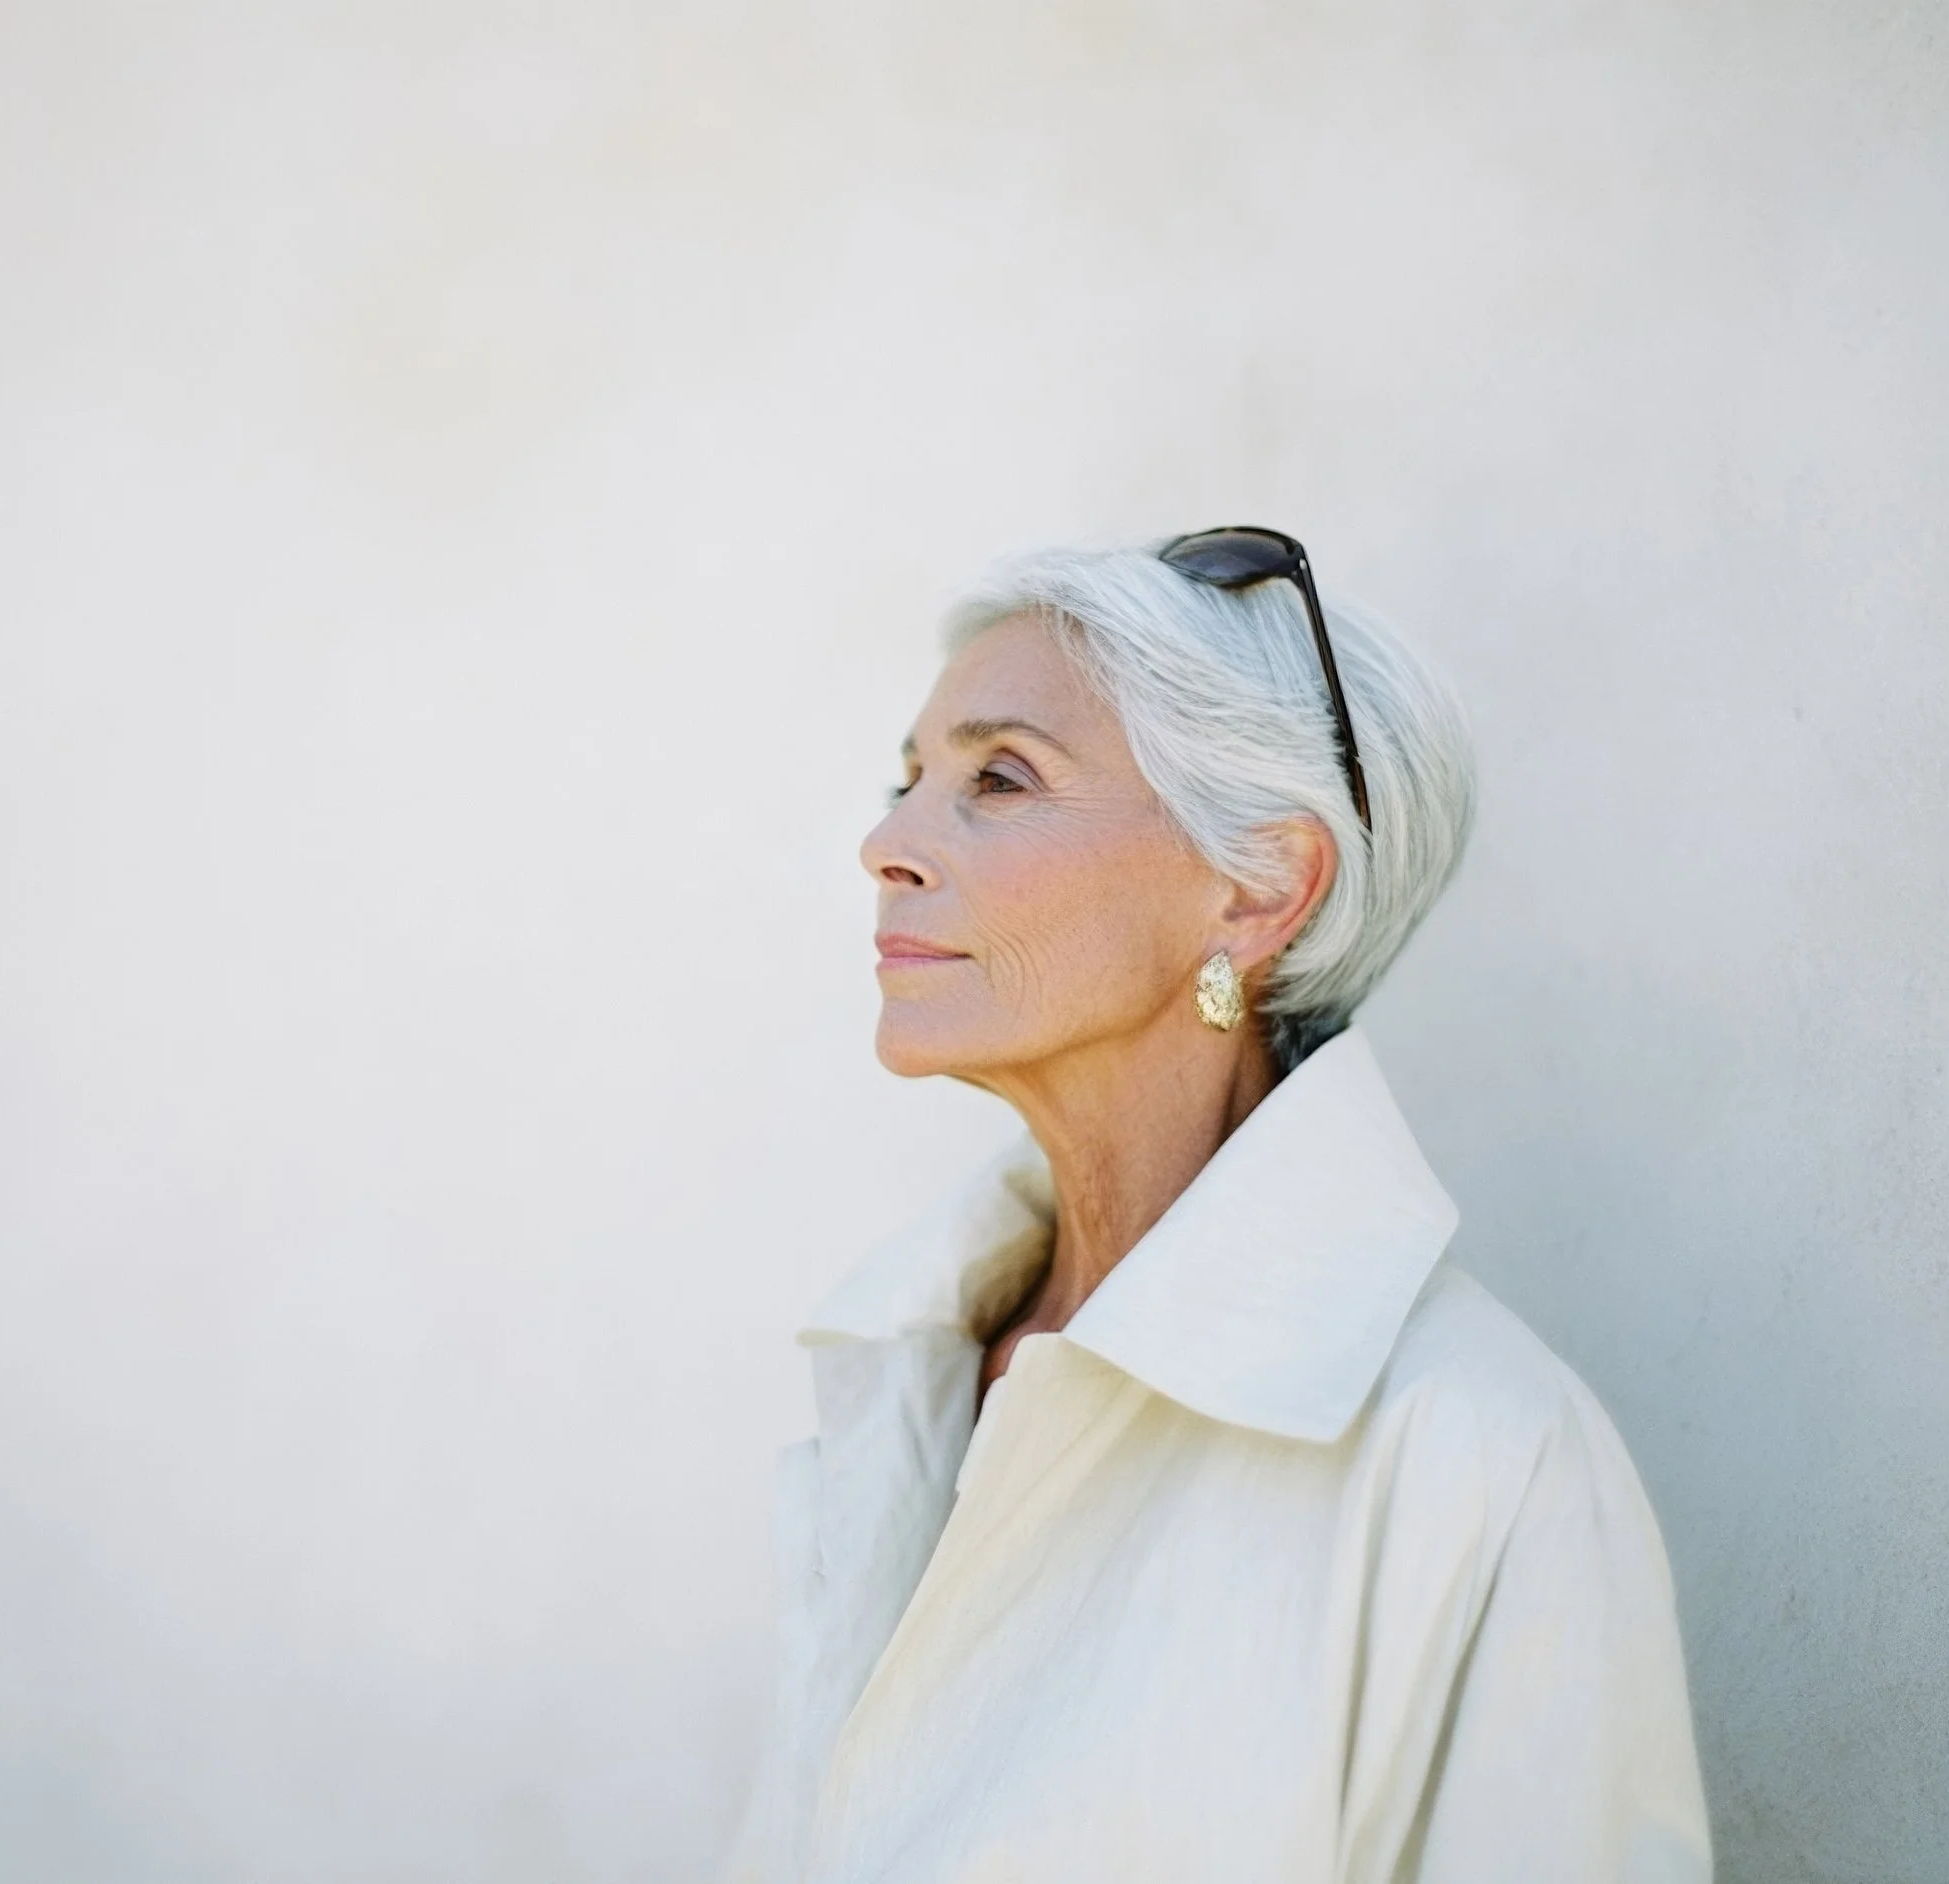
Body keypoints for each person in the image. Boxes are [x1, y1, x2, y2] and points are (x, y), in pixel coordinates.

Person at [722, 532, 1710, 1882]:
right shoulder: (904, 1368)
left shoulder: (1476, 1455)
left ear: (1259, 889)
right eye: (909, 779)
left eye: (997, 779)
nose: (886, 842)